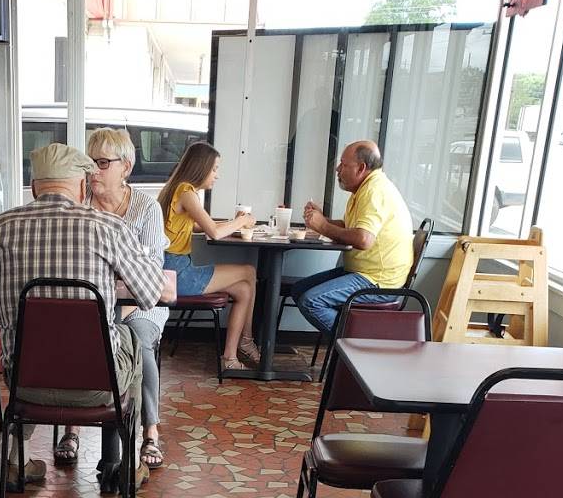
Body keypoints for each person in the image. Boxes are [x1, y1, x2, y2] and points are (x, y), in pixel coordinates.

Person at [0, 142, 172, 493]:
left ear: (34, 186)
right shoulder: (109, 227)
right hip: (97, 387)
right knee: (131, 340)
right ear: (83, 186)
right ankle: (126, 462)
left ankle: (17, 458)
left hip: (25, 384)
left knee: (26, 344)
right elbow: (149, 294)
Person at [55, 127, 169, 473]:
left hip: (140, 306)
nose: (94, 171)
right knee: (74, 339)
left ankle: (150, 431)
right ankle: (72, 428)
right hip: (93, 305)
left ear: (126, 167)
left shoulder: (146, 208)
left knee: (138, 340)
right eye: (89, 163)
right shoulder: (79, 205)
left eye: (103, 163)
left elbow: (152, 271)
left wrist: (118, 298)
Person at [290, 141, 413, 338]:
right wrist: (323, 220)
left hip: (379, 281)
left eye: (343, 164)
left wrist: (323, 226)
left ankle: (358, 344)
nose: (338, 169)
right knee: (299, 290)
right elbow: (350, 228)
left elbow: (363, 239)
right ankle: (352, 338)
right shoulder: (364, 188)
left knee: (311, 301)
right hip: (363, 273)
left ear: (361, 168)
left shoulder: (374, 191)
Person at [158, 142, 260, 368]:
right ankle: (247, 341)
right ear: (200, 167)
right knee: (249, 271)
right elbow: (213, 232)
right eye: (214, 169)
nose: (217, 175)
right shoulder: (186, 192)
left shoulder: (176, 188)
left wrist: (233, 222)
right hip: (176, 273)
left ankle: (230, 358)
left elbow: (198, 226)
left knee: (244, 289)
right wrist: (242, 221)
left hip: (170, 270)